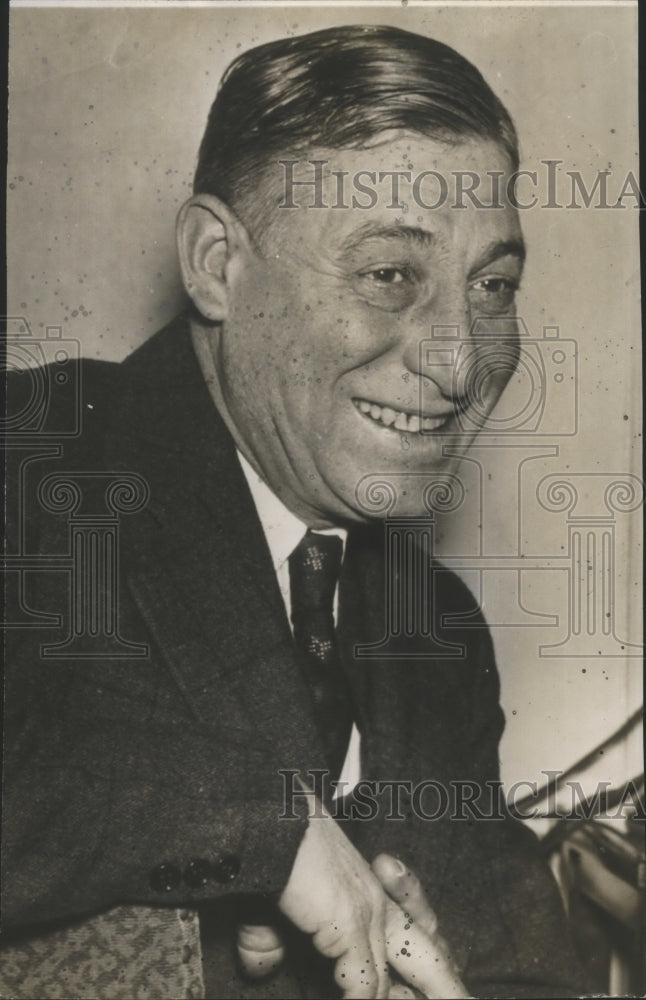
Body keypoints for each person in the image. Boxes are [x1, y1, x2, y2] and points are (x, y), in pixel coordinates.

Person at [2, 24, 588, 999]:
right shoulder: (30, 463)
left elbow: (520, 967)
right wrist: (270, 835)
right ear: (216, 263)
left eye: (490, 285)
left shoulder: (433, 628)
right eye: (391, 274)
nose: (457, 361)